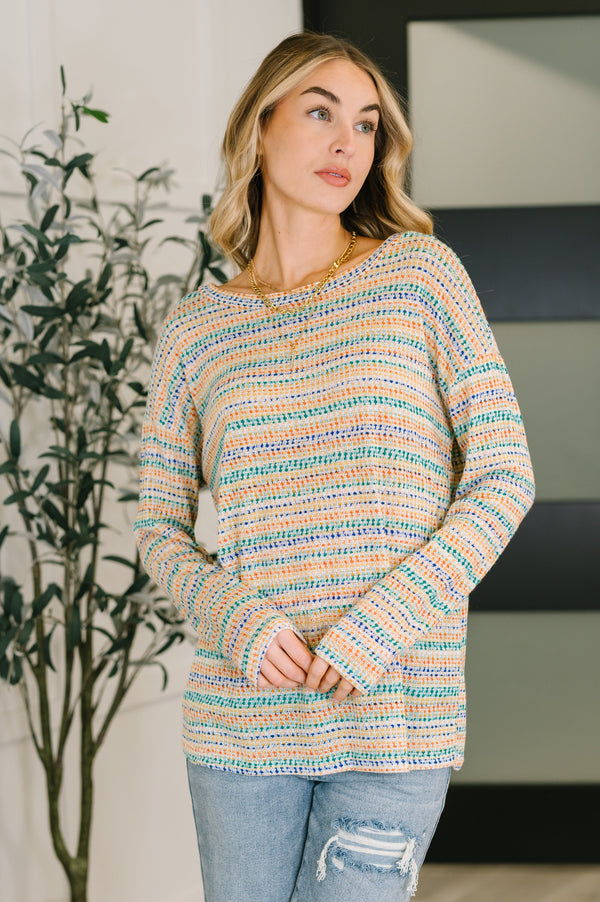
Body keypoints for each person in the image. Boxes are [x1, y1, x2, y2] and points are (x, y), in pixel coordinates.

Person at [134, 31, 535, 902]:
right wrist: (232, 616)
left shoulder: (420, 277)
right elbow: (157, 527)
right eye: (320, 113)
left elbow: (504, 476)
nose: (347, 143)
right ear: (260, 125)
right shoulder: (197, 330)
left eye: (365, 124)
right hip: (240, 726)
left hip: (392, 714)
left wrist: (381, 625)